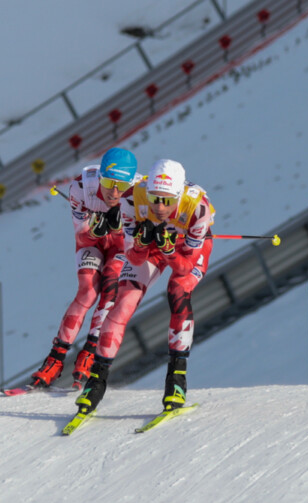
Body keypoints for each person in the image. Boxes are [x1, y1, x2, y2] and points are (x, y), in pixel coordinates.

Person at [75, 158, 215, 414]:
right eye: (154, 199)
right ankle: (96, 382)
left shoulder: (198, 208)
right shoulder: (132, 198)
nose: (159, 207)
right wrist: (141, 243)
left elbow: (184, 267)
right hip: (154, 245)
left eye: (167, 201)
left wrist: (169, 249)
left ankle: (176, 381)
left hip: (184, 250)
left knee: (178, 291)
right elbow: (134, 258)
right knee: (123, 302)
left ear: (178, 196)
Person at [30, 147, 139, 389]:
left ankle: (89, 352)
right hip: (93, 243)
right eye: (109, 183)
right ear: (100, 177)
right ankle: (55, 359)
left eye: (122, 186)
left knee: (110, 286)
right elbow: (82, 236)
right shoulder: (82, 187)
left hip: (121, 247)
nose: (114, 192)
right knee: (88, 291)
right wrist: (96, 228)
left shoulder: (140, 193)